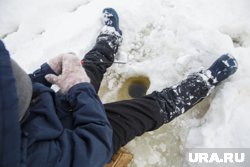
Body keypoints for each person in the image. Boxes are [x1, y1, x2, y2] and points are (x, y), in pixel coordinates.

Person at [0, 8, 238, 167]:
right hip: (82, 139)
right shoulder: (25, 157)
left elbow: (9, 85)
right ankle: (205, 81)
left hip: (48, 106)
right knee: (153, 109)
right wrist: (79, 87)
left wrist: (41, 74)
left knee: (89, 66)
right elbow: (95, 147)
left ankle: (109, 40)